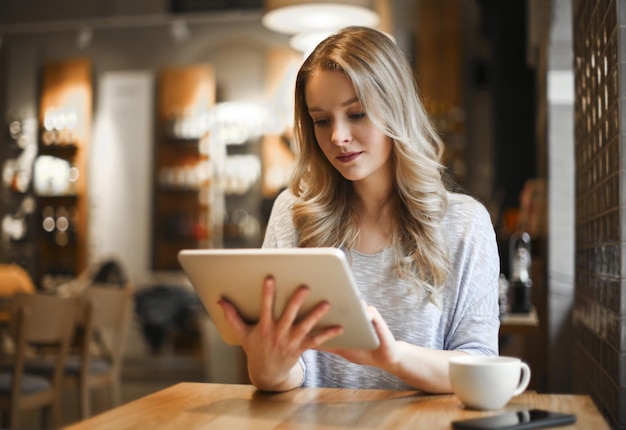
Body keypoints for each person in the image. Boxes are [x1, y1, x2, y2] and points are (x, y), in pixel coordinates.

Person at [218, 26, 500, 393]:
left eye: (357, 114)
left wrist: (391, 356)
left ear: (396, 110)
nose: (337, 136)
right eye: (321, 120)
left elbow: (481, 366)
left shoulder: (465, 224)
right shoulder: (293, 213)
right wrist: (267, 366)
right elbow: (288, 375)